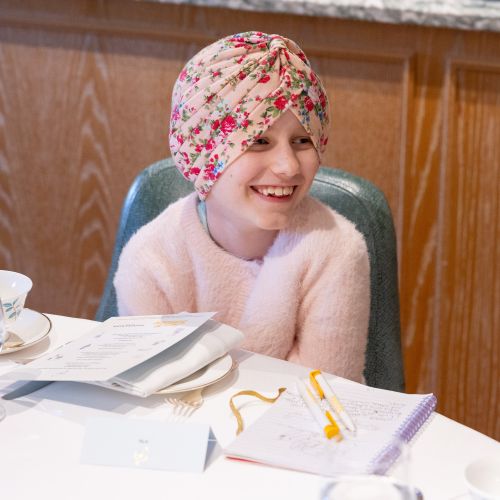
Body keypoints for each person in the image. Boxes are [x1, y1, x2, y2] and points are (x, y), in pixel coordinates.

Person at [114, 31, 370, 382]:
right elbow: (153, 399)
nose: (289, 167)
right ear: (203, 155)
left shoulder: (336, 249)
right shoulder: (150, 261)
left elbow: (325, 396)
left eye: (302, 140)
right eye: (259, 140)